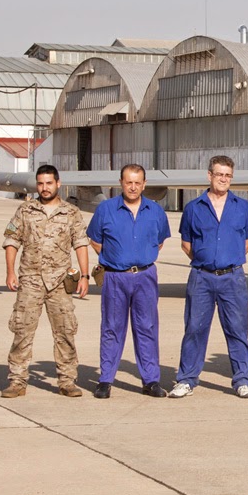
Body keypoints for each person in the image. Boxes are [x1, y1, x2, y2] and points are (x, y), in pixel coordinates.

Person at [170, 155, 248, 399]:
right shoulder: (193, 208)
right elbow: (186, 243)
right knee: (195, 328)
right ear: (209, 176)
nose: (223, 179)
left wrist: (228, 258)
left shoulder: (242, 207)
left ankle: (242, 379)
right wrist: (206, 261)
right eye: (219, 174)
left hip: (233, 278)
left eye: (228, 175)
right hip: (202, 277)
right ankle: (186, 379)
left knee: (237, 330)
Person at [0, 165, 90, 398]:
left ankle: (67, 380)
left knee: (65, 332)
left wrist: (84, 275)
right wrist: (10, 272)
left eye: (49, 183)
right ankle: (17, 381)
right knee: (22, 331)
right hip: (30, 280)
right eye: (40, 183)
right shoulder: (26, 210)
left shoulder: (71, 213)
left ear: (58, 184)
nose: (44, 187)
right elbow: (11, 241)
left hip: (60, 281)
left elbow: (80, 243)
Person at [86, 164, 171, 399]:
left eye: (137, 182)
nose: (133, 187)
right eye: (128, 182)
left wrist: (139, 257)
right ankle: (105, 380)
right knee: (112, 328)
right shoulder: (106, 210)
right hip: (115, 277)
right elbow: (95, 240)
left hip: (144, 276)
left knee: (147, 327)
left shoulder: (155, 211)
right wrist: (115, 259)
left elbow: (160, 241)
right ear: (121, 183)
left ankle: (151, 380)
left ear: (144, 184)